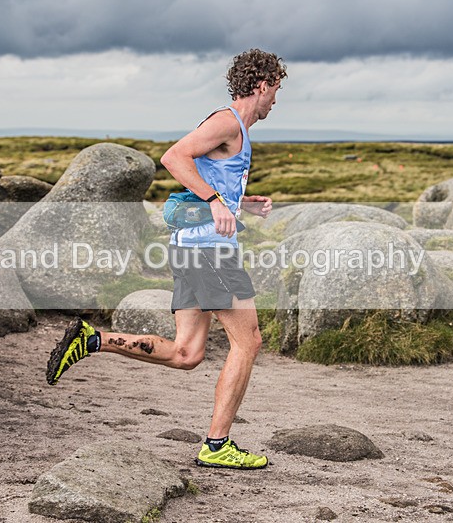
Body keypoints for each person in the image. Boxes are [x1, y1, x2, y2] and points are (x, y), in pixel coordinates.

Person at [46, 48, 287, 470]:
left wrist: (238, 202)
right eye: (276, 91)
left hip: (191, 248)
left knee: (187, 353)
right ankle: (217, 445)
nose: (276, 101)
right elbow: (174, 156)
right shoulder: (228, 121)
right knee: (248, 342)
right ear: (263, 85)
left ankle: (93, 339)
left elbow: (209, 176)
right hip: (210, 250)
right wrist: (215, 201)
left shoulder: (235, 130)